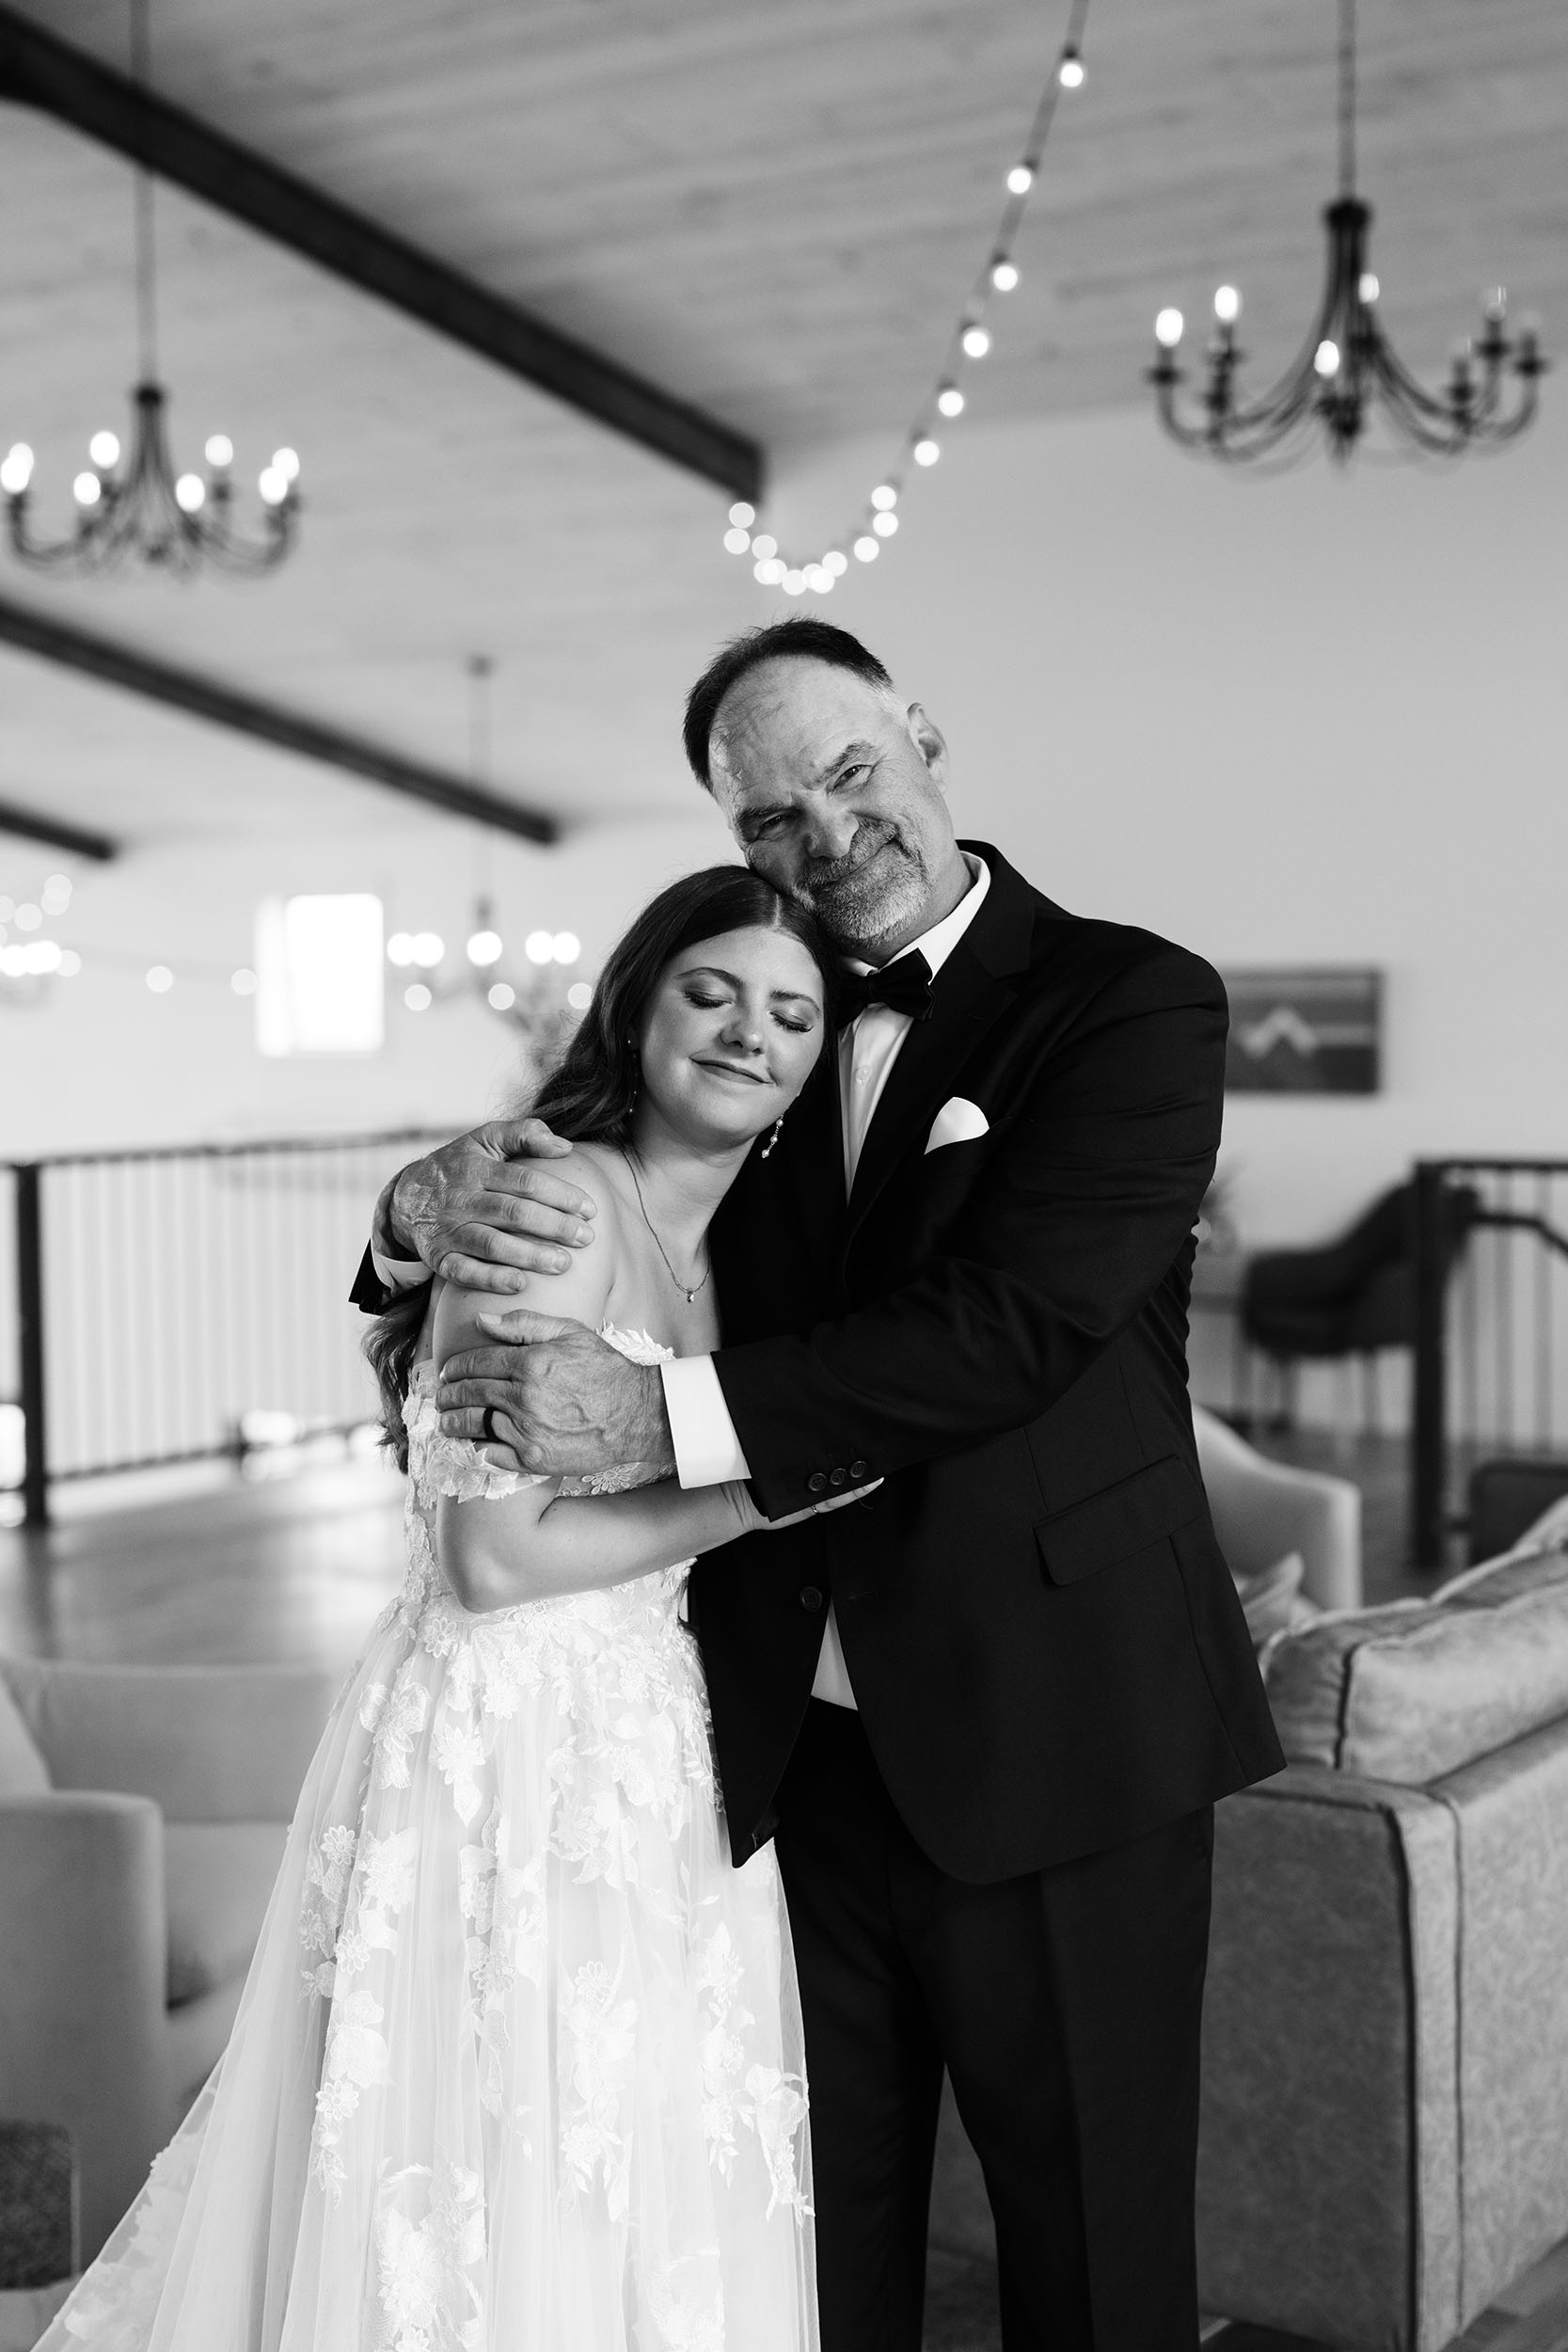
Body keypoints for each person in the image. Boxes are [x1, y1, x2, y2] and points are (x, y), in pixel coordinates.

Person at [357, 617, 1287, 2352]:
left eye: (850, 773)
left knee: (1088, 2252)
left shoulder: (1129, 999)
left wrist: (659, 1424)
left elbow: (1016, 1328)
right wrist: (419, 1211)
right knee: (796, 2251)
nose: (824, 834)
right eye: (768, 818)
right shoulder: (766, 1026)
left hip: (1060, 1731)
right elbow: (625, 1177)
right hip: (781, 1752)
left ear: (924, 736)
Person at [41, 867, 853, 2352]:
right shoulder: (549, 1200)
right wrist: (761, 1495)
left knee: (630, 2151)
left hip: (655, 1746)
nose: (750, 1034)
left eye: (791, 1014)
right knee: (475, 2154)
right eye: (712, 992)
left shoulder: (750, 1252)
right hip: (503, 1736)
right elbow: (492, 1560)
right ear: (638, 1005)